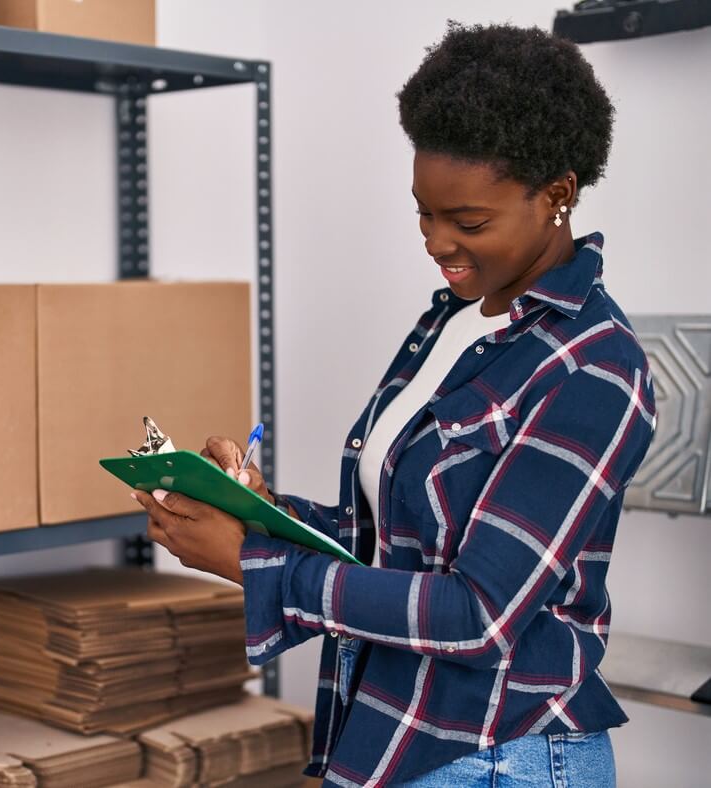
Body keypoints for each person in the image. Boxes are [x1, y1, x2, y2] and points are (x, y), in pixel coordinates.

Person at [131, 21, 657, 787]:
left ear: (559, 195)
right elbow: (390, 541)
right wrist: (260, 513)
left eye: (468, 222)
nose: (436, 242)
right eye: (424, 213)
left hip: (501, 754)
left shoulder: (596, 368)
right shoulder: (452, 323)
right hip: (397, 731)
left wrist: (259, 567)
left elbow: (477, 614)